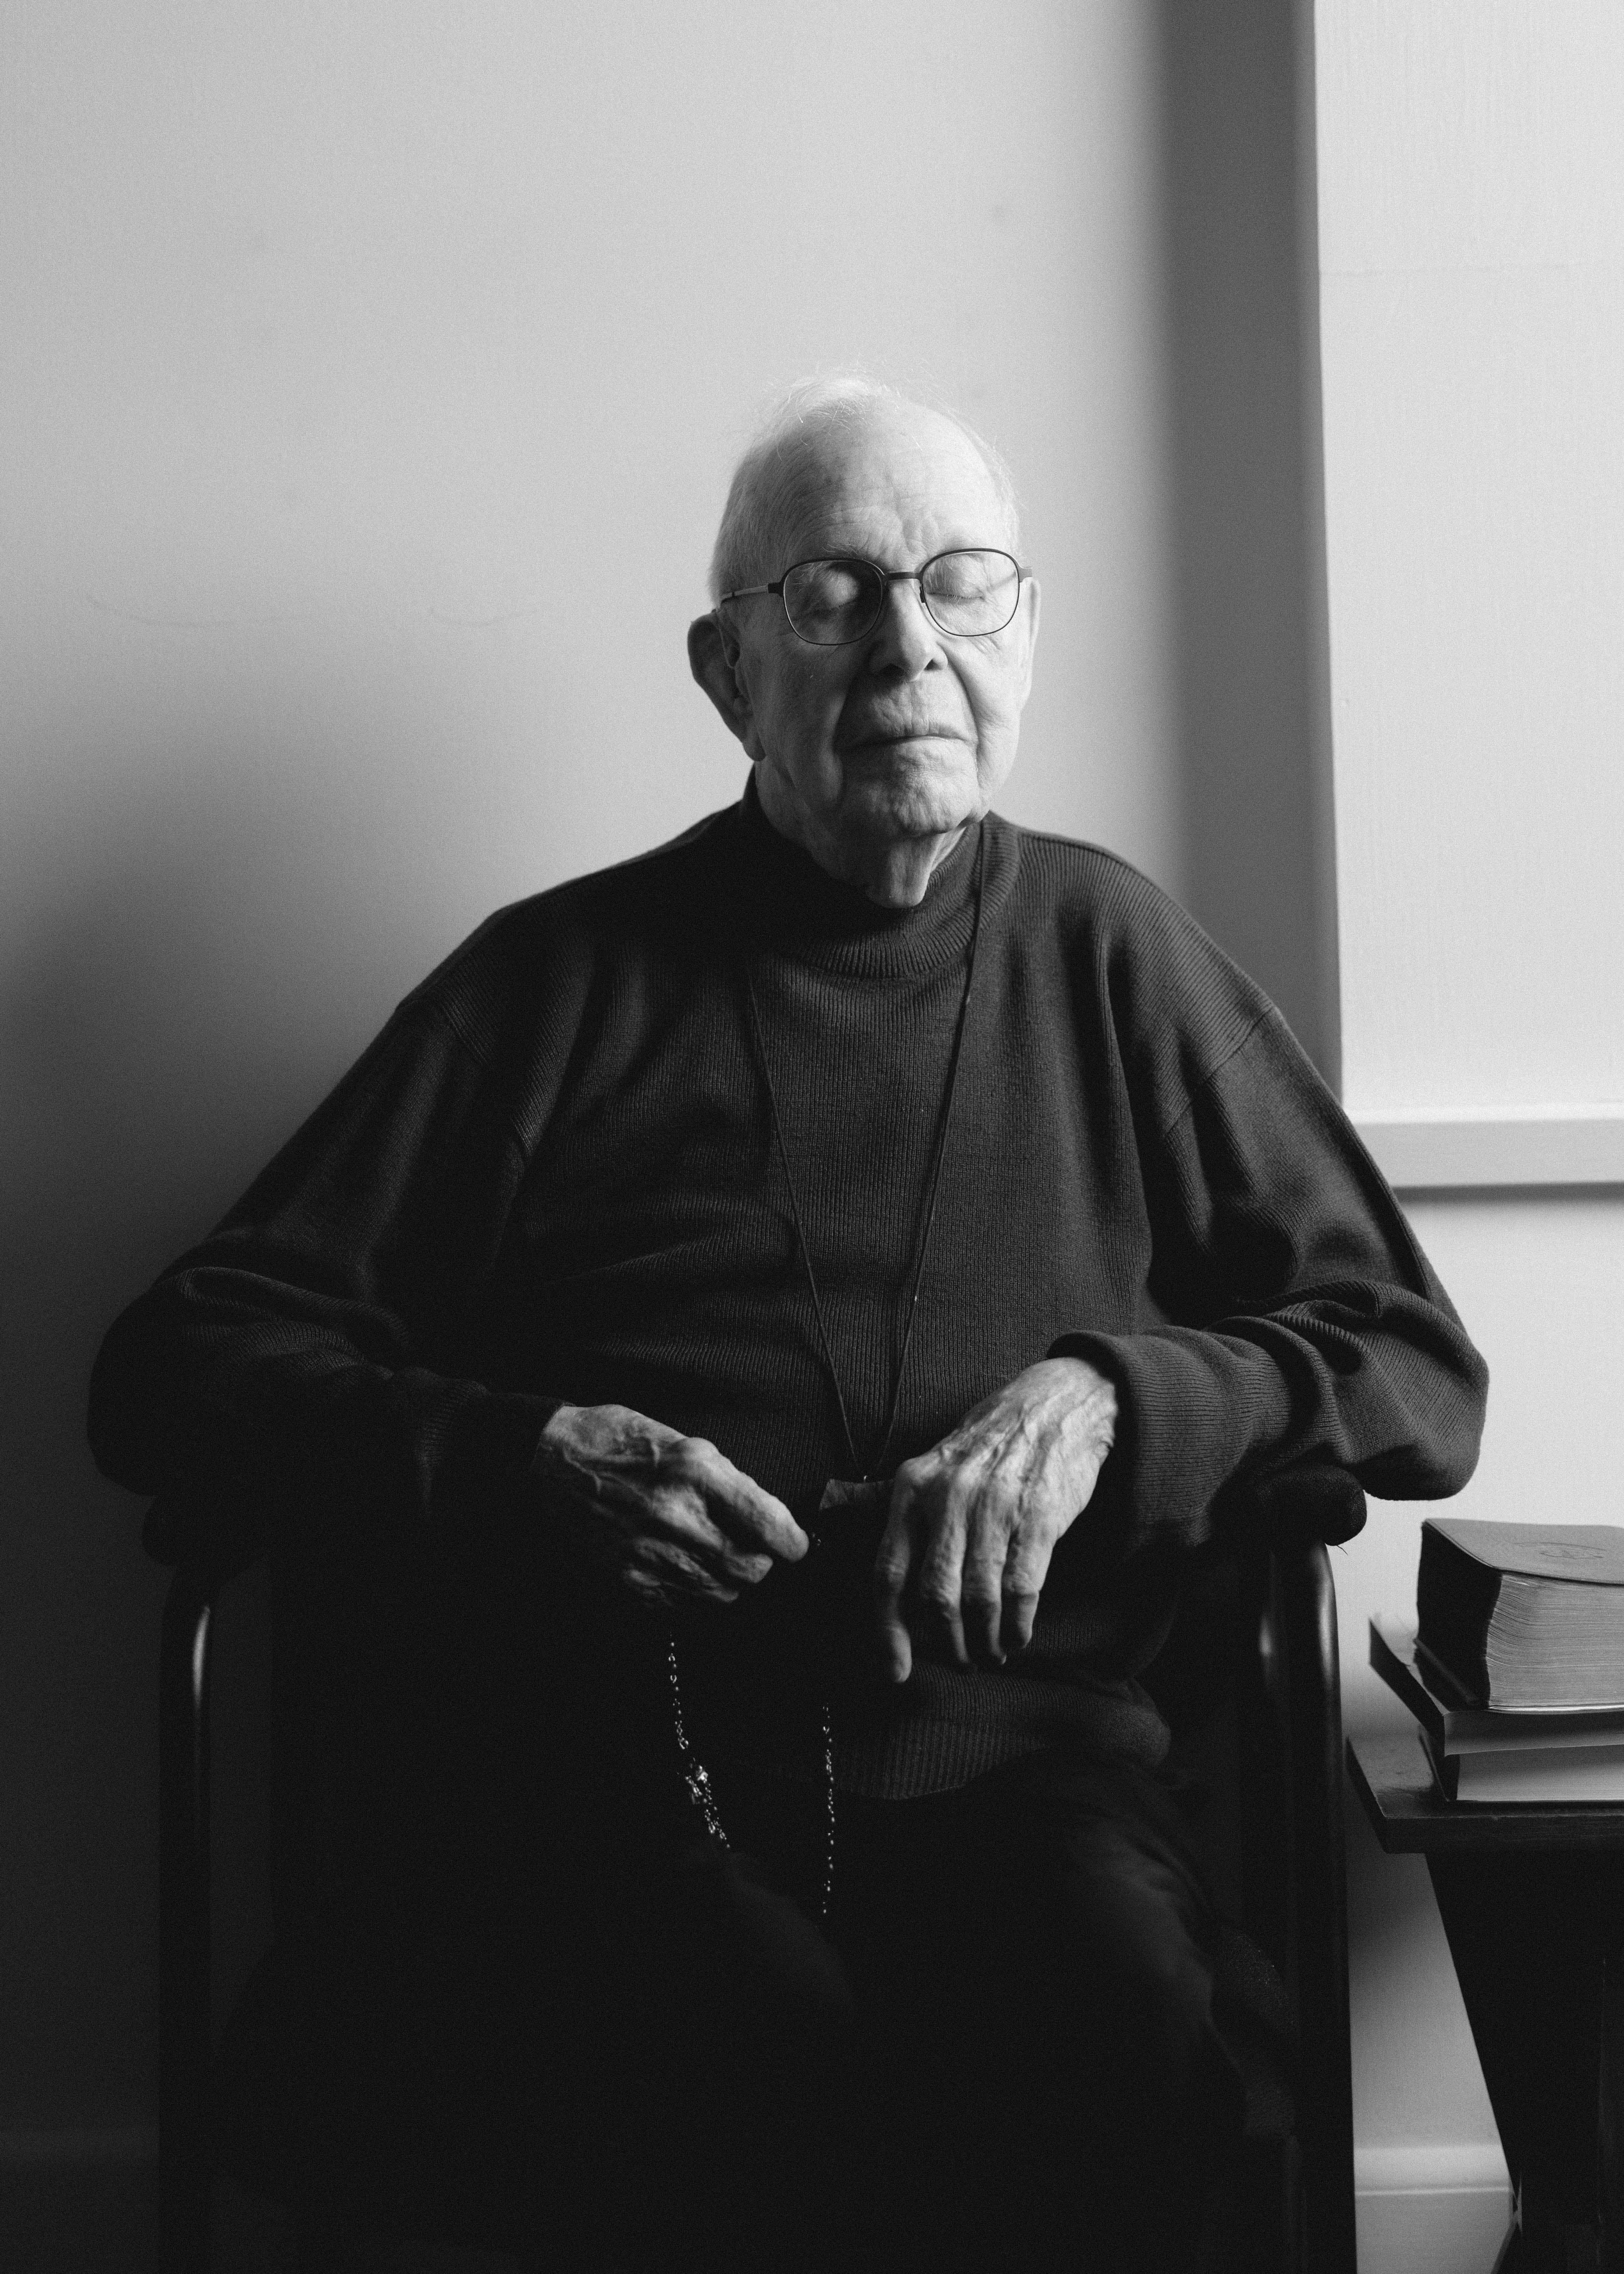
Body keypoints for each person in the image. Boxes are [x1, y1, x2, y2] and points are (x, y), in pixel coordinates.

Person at [90, 376, 1487, 2270]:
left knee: (1106, 2012)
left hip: (1023, 1778)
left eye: (958, 584)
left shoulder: (1115, 956)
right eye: (833, 594)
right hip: (610, 1784)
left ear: (1024, 632)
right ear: (726, 670)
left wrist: (1111, 1399)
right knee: (730, 2038)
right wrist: (527, 1454)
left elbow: (1409, 1359)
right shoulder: (557, 984)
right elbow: (185, 1358)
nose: (908, 643)